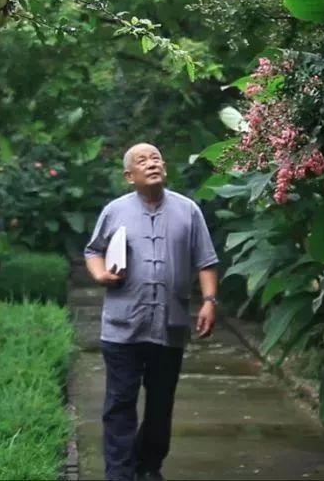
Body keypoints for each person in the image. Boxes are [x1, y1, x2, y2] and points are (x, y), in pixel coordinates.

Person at [84, 142, 220, 481]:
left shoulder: (188, 210)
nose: (152, 163)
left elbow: (206, 261)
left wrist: (209, 301)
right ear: (129, 176)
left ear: (165, 168)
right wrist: (100, 274)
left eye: (156, 158)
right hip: (122, 326)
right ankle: (119, 473)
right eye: (142, 161)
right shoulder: (115, 210)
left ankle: (149, 467)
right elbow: (93, 251)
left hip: (169, 326)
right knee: (120, 404)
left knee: (161, 406)